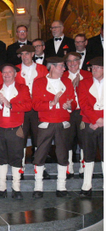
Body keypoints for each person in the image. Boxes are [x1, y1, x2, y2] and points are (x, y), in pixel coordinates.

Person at [31, 57, 76, 198]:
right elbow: (36, 105)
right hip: (46, 122)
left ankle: (61, 187)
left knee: (63, 155)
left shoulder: (67, 82)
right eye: (62, 66)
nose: (64, 69)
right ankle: (38, 187)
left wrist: (70, 106)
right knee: (40, 154)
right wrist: (52, 102)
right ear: (52, 67)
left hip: (63, 122)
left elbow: (74, 102)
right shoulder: (39, 82)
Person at [0, 64, 32, 199]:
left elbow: (29, 105)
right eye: (4, 72)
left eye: (9, 72)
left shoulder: (23, 88)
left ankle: (16, 188)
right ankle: (1, 188)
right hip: (0, 127)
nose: (6, 74)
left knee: (16, 158)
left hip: (16, 128)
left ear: (15, 74)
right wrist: (0, 104)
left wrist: (10, 105)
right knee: (0, 159)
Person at [15, 45, 49, 178]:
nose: (25, 56)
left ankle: (40, 166)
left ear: (33, 54)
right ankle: (20, 167)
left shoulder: (42, 69)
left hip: (37, 108)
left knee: (39, 138)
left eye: (27, 54)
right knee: (20, 138)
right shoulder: (16, 69)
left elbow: (47, 86)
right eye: (22, 54)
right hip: (22, 108)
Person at [63, 52, 92, 179]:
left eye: (75, 60)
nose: (72, 63)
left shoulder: (88, 75)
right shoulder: (62, 76)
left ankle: (83, 167)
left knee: (84, 140)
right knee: (67, 140)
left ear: (79, 61)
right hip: (68, 112)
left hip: (84, 112)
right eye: (69, 61)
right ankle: (69, 167)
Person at [77, 57, 103, 197]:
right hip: (89, 123)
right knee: (88, 154)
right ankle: (87, 185)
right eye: (92, 68)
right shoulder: (84, 83)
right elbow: (83, 103)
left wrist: (102, 120)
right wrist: (95, 119)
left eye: (97, 68)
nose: (94, 70)